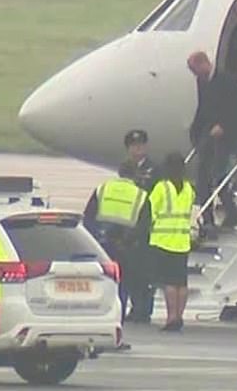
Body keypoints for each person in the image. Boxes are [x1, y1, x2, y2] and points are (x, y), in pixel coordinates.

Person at [82, 161, 150, 344]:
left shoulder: (102, 189)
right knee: (121, 290)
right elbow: (144, 226)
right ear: (135, 175)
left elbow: (88, 218)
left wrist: (96, 239)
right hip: (125, 248)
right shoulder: (141, 195)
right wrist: (127, 241)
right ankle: (116, 335)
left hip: (102, 246)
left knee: (100, 288)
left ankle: (94, 332)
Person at [187, 51, 237, 229]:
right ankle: (208, 220)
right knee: (202, 178)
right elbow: (203, 107)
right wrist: (195, 130)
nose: (195, 75)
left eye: (196, 70)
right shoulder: (201, 81)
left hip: (225, 135)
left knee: (220, 175)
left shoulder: (225, 80)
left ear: (204, 64)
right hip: (208, 133)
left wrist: (224, 126)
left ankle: (231, 214)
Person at [148, 152, 195, 331]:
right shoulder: (189, 189)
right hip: (182, 241)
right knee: (181, 283)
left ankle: (171, 317)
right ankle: (180, 316)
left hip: (164, 240)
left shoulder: (162, 187)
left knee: (169, 283)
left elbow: (151, 210)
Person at [122, 129, 158, 322]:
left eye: (140, 145)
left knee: (145, 272)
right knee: (131, 271)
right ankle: (136, 307)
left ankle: (145, 309)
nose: (137, 149)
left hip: (146, 226)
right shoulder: (125, 168)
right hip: (128, 224)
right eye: (134, 146)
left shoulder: (154, 169)